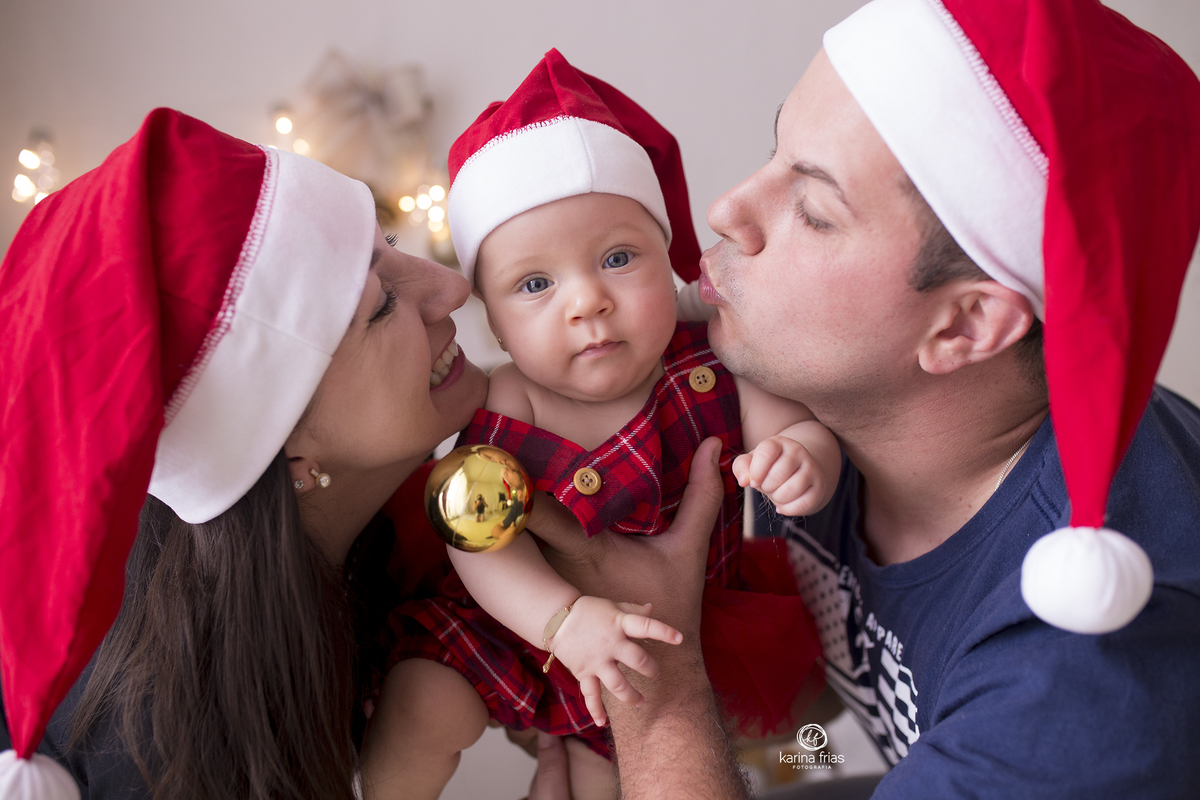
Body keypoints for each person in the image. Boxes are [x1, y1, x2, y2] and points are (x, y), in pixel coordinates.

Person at [519, 0, 1200, 798]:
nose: (727, 210)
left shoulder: (1077, 686)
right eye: (776, 146)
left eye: (812, 211)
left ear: (966, 324)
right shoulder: (804, 399)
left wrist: (659, 692)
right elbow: (826, 730)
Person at [360, 50, 834, 800]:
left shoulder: (703, 356)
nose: (587, 301)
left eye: (618, 258)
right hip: (526, 624)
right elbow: (477, 542)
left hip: (663, 633)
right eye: (536, 284)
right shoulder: (511, 402)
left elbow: (790, 422)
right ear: (494, 319)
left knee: (622, 771)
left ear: (666, 261)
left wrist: (803, 456)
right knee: (422, 698)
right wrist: (560, 621)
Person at [0, 108, 489, 800]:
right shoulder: (171, 755)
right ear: (286, 458)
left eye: (389, 241)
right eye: (381, 306)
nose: (451, 287)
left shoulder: (387, 536)